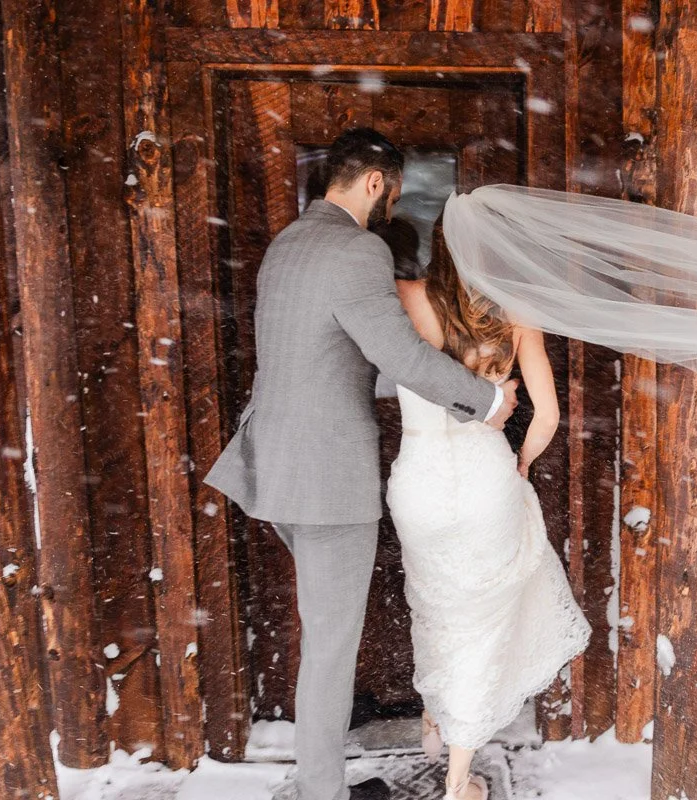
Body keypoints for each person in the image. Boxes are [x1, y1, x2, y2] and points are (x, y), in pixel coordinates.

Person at [203, 127, 519, 800]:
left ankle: (319, 782)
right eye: (393, 193)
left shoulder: (288, 243)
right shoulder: (356, 250)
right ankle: (322, 792)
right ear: (376, 183)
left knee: (324, 634)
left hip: (272, 466)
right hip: (324, 480)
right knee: (330, 645)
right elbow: (398, 356)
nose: (391, 209)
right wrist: (486, 399)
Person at [386, 222, 591, 800]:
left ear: (441, 246)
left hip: (419, 483)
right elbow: (545, 416)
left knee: (435, 606)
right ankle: (458, 780)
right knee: (481, 625)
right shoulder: (515, 313)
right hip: (483, 482)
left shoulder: (406, 298)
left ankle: (436, 716)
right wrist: (522, 461)